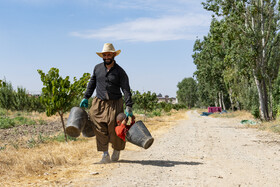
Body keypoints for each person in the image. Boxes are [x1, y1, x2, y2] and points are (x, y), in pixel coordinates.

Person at [80, 43, 134, 164]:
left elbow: (126, 89)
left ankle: (117, 149)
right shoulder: (97, 68)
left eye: (109, 54)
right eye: (104, 55)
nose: (107, 56)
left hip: (115, 102)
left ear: (114, 55)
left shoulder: (120, 72)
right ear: (102, 56)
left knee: (114, 126)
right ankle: (105, 154)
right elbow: (92, 84)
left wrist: (128, 105)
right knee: (97, 123)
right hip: (99, 102)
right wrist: (86, 97)